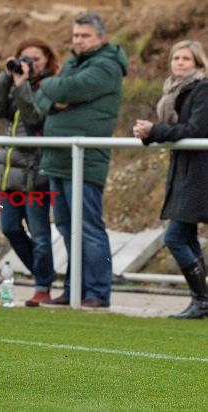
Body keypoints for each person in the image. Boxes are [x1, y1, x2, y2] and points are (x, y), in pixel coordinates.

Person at [34, 12, 128, 308]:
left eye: (85, 35)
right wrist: (54, 92)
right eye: (75, 35)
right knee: (66, 226)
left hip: (85, 159)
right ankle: (75, 288)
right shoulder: (75, 63)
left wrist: (52, 87)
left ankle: (98, 292)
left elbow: (64, 89)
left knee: (88, 226)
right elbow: (44, 100)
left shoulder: (107, 66)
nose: (78, 40)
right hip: (59, 157)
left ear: (101, 37)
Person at [133, 40, 208, 319]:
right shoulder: (174, 91)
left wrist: (156, 130)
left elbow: (194, 130)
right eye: (175, 58)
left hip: (199, 171)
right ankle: (201, 301)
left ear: (198, 64)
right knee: (185, 236)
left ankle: (202, 300)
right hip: (185, 169)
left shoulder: (202, 89)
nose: (179, 63)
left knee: (175, 237)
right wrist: (148, 134)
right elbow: (177, 130)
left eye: (186, 59)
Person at [0, 37, 60, 307]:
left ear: (48, 61)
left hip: (36, 169)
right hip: (9, 172)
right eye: (24, 58)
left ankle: (43, 286)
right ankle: (45, 275)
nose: (29, 64)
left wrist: (22, 85)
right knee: (10, 227)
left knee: (40, 233)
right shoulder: (16, 84)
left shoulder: (50, 87)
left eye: (35, 59)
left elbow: (33, 118)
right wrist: (7, 78)